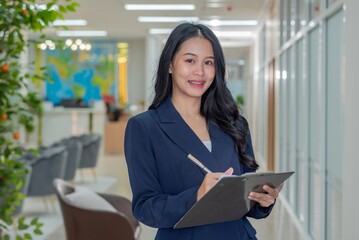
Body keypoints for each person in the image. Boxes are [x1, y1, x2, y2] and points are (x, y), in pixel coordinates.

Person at [124, 22, 281, 240]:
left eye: (209, 62)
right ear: (170, 64)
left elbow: (246, 199)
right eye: (190, 60)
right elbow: (145, 208)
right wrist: (197, 195)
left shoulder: (235, 124)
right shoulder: (144, 127)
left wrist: (263, 200)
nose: (200, 72)